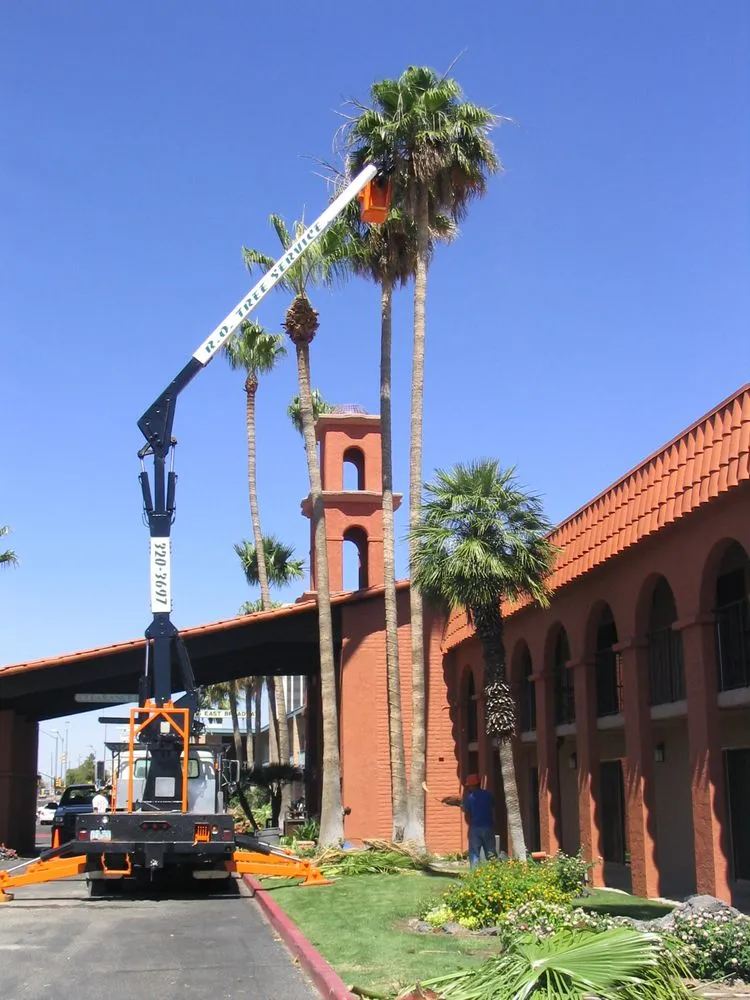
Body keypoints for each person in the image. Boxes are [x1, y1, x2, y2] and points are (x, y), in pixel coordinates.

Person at [461, 774, 496, 868]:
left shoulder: (470, 797)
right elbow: (493, 804)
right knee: (491, 852)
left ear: (472, 785)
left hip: (476, 828)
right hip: (489, 826)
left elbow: (465, 809)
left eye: (469, 786)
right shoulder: (488, 794)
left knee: (474, 852)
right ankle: (494, 872)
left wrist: (460, 805)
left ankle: (475, 875)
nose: (468, 788)